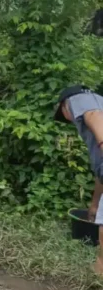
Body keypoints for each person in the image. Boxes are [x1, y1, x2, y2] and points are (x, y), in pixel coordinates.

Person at [56, 86, 103, 278]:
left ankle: (100, 269)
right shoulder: (100, 101)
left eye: (63, 115)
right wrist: (94, 205)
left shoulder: (76, 100)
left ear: (63, 107)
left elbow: (92, 115)